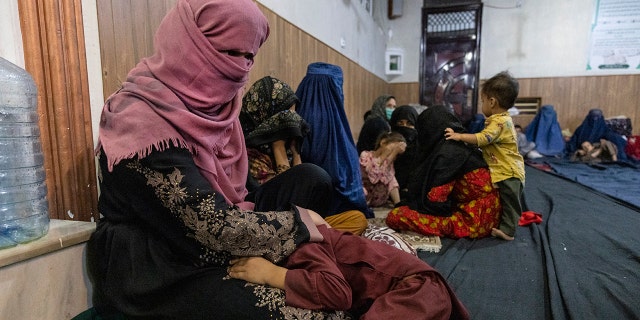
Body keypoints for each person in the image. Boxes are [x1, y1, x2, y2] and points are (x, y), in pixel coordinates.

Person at [85, 2, 357, 318]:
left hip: (216, 229)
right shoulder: (142, 121)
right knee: (313, 314)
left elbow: (243, 196)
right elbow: (212, 226)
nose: (239, 68)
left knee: (311, 178)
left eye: (249, 57)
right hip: (159, 261)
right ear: (190, 41)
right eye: (229, 53)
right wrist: (301, 224)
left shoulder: (222, 112)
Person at [228, 222, 470, 320]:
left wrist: (272, 274)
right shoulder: (308, 232)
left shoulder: (302, 244)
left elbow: (337, 293)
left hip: (418, 292)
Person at [240, 76, 367, 235]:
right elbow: (287, 196)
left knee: (357, 219)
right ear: (265, 112)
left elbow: (303, 189)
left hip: (303, 218)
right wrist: (278, 146)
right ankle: (317, 239)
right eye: (285, 115)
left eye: (294, 114)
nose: (292, 122)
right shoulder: (247, 152)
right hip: (271, 223)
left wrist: (295, 151)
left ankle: (316, 237)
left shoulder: (288, 148)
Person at [386, 105, 502, 239]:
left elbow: (436, 202)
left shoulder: (447, 155)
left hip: (474, 221)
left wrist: (415, 205)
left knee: (395, 216)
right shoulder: (464, 145)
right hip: (493, 214)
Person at [444, 71, 525, 241]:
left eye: (482, 101)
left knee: (511, 202)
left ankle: (509, 231)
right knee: (505, 199)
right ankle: (505, 224)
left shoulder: (500, 122)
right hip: (502, 169)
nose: (482, 104)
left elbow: (482, 138)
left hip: (509, 172)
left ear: (492, 101)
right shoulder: (500, 120)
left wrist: (459, 136)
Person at [295, 62, 374, 218]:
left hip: (301, 205)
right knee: (358, 219)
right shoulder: (332, 123)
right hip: (330, 209)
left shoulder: (296, 114)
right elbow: (340, 175)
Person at [360, 131, 406, 207]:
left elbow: (391, 182)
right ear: (383, 142)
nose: (394, 155)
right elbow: (373, 178)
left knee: (391, 178)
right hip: (364, 197)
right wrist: (385, 155)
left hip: (377, 200)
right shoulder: (365, 155)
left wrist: (398, 204)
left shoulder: (388, 162)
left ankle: (398, 204)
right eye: (393, 150)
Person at [389, 105, 419, 196]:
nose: (405, 127)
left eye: (409, 124)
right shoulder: (385, 144)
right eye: (400, 123)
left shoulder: (421, 147)